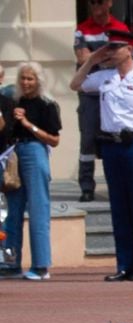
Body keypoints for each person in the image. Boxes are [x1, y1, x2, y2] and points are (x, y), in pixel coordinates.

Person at [70, 27, 133, 282]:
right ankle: (124, 265)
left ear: (130, 50)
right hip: (111, 146)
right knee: (119, 207)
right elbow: (75, 84)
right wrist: (91, 59)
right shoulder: (105, 77)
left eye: (116, 47)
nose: (111, 52)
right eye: (109, 47)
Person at [0, 62, 61, 281]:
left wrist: (27, 124)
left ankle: (41, 265)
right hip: (14, 155)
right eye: (23, 78)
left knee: (38, 210)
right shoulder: (12, 100)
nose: (26, 83)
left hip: (36, 152)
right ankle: (10, 263)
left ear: (38, 81)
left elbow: (54, 140)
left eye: (30, 79)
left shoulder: (47, 104)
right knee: (12, 212)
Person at [73, 0, 128, 203]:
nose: (95, 5)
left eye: (100, 1)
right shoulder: (82, 29)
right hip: (90, 93)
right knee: (87, 141)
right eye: (92, 2)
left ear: (110, 3)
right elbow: (82, 58)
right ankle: (87, 187)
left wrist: (97, 58)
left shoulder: (120, 28)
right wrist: (108, 56)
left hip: (114, 92)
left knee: (114, 138)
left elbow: (123, 56)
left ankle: (115, 184)